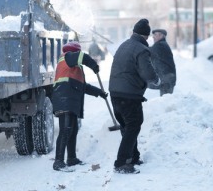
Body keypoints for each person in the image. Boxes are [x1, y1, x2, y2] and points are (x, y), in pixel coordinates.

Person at [109, 18, 160, 174]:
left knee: (128, 125)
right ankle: (121, 163)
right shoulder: (141, 49)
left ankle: (133, 157)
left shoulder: (123, 45)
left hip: (115, 92)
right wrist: (156, 80)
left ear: (133, 32)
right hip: (129, 95)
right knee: (133, 125)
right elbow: (147, 73)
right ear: (146, 36)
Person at [51, 41, 108, 171]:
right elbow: (84, 57)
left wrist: (99, 93)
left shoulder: (74, 67)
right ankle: (58, 162)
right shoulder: (68, 56)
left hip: (70, 101)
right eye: (78, 51)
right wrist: (94, 65)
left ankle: (71, 158)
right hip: (64, 100)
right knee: (65, 130)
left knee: (73, 130)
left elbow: (83, 87)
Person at [149, 29, 176, 96]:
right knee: (165, 100)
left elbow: (147, 51)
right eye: (153, 35)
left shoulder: (160, 45)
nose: (153, 37)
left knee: (166, 102)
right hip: (167, 78)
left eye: (155, 35)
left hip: (167, 78)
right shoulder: (162, 45)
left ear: (161, 36)